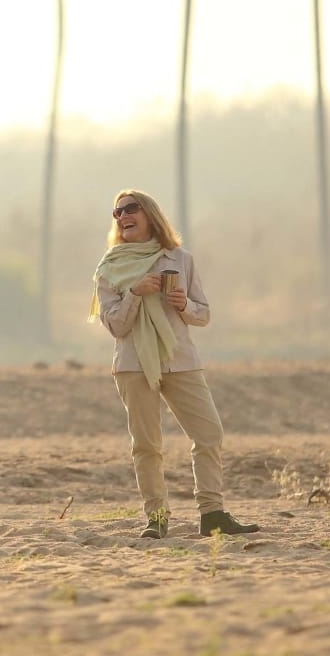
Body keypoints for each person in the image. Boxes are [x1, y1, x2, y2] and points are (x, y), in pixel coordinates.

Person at [91, 188, 257, 539]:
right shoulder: (109, 268)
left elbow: (204, 314)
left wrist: (182, 305)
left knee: (209, 434)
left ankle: (212, 513)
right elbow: (116, 326)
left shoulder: (180, 259)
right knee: (147, 445)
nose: (123, 217)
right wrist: (136, 293)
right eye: (117, 213)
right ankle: (157, 517)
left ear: (149, 213)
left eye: (130, 209)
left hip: (180, 359)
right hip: (134, 363)